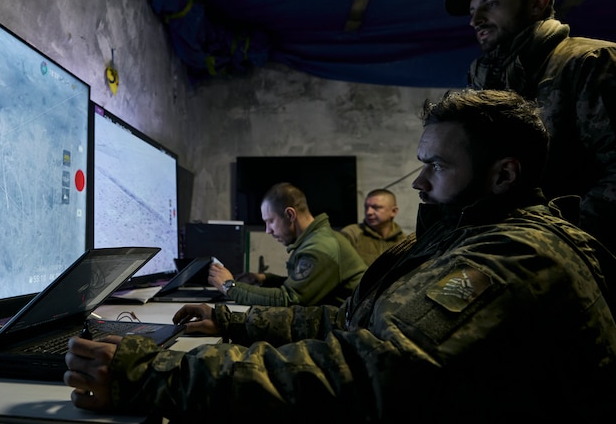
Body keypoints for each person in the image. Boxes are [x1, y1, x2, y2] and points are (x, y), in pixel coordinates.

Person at [63, 89, 616, 422]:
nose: (419, 182)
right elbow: (355, 320)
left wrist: (156, 370)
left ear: (503, 175)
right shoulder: (475, 232)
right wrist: (231, 319)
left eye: (438, 167)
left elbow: (366, 373)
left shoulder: (515, 257)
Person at [444, 0, 616, 278]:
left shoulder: (590, 62)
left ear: (538, 3)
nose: (475, 21)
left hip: (581, 262)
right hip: (506, 257)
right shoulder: (486, 77)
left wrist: (563, 238)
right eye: (471, 11)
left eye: (490, 4)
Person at [208, 182, 367, 307]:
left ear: (290, 214)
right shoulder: (316, 239)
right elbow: (302, 285)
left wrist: (230, 286)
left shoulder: (320, 248)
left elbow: (289, 300)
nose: (268, 230)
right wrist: (264, 279)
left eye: (270, 221)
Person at [339, 188, 405, 265]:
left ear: (394, 211)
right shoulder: (351, 234)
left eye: (376, 207)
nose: (369, 212)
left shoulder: (403, 240)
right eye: (366, 207)